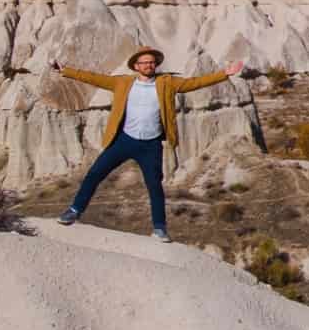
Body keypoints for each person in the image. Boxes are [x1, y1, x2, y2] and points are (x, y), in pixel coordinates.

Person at [52, 48, 244, 241]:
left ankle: (159, 228)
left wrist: (224, 74)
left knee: (154, 186)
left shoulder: (166, 83)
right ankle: (74, 210)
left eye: (151, 62)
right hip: (124, 140)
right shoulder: (123, 82)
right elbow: (93, 78)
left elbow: (194, 83)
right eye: (144, 62)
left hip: (151, 145)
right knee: (94, 173)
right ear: (136, 66)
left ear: (156, 65)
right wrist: (66, 71)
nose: (148, 65)